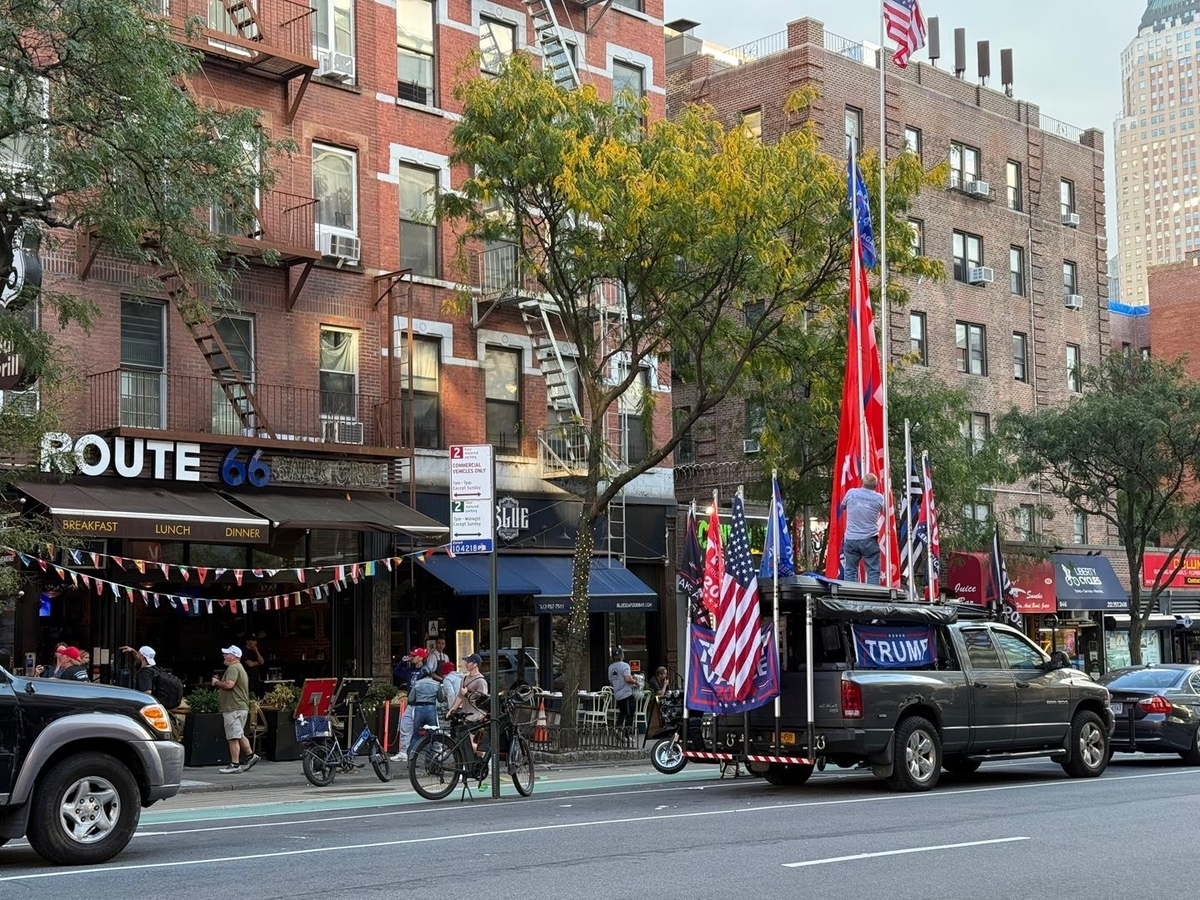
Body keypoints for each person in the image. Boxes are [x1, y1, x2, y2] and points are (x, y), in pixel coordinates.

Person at [211, 645, 259, 774]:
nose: (224, 656)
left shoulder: (233, 668)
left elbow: (229, 684)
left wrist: (216, 683)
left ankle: (235, 764)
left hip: (234, 707)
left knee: (233, 737)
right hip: (238, 707)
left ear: (233, 656)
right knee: (238, 734)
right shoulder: (239, 667)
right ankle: (250, 756)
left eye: (227, 654)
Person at [839, 472, 885, 585]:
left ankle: (850, 598)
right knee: (873, 571)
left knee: (850, 570)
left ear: (862, 482)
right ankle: (872, 598)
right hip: (869, 538)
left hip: (851, 538)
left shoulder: (851, 493)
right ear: (876, 486)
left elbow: (842, 506)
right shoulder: (879, 498)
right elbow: (882, 510)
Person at [392, 647, 429, 762]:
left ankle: (417, 753)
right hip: (411, 704)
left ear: (421, 658)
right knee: (405, 726)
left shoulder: (425, 670)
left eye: (415, 656)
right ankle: (403, 752)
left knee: (420, 730)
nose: (412, 657)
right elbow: (396, 672)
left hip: (420, 704)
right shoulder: (410, 670)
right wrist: (402, 661)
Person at [405, 667, 441, 755]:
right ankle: (430, 759)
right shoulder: (436, 684)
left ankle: (411, 756)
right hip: (431, 708)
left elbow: (410, 699)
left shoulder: (417, 684)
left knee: (416, 735)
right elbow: (441, 698)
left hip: (419, 709)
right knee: (432, 735)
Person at [607, 648, 638, 735]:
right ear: (622, 655)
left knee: (622, 712)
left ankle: (618, 728)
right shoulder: (625, 666)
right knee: (630, 713)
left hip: (617, 694)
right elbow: (627, 678)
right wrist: (635, 682)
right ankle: (626, 735)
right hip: (626, 693)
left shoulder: (611, 667)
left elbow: (611, 681)